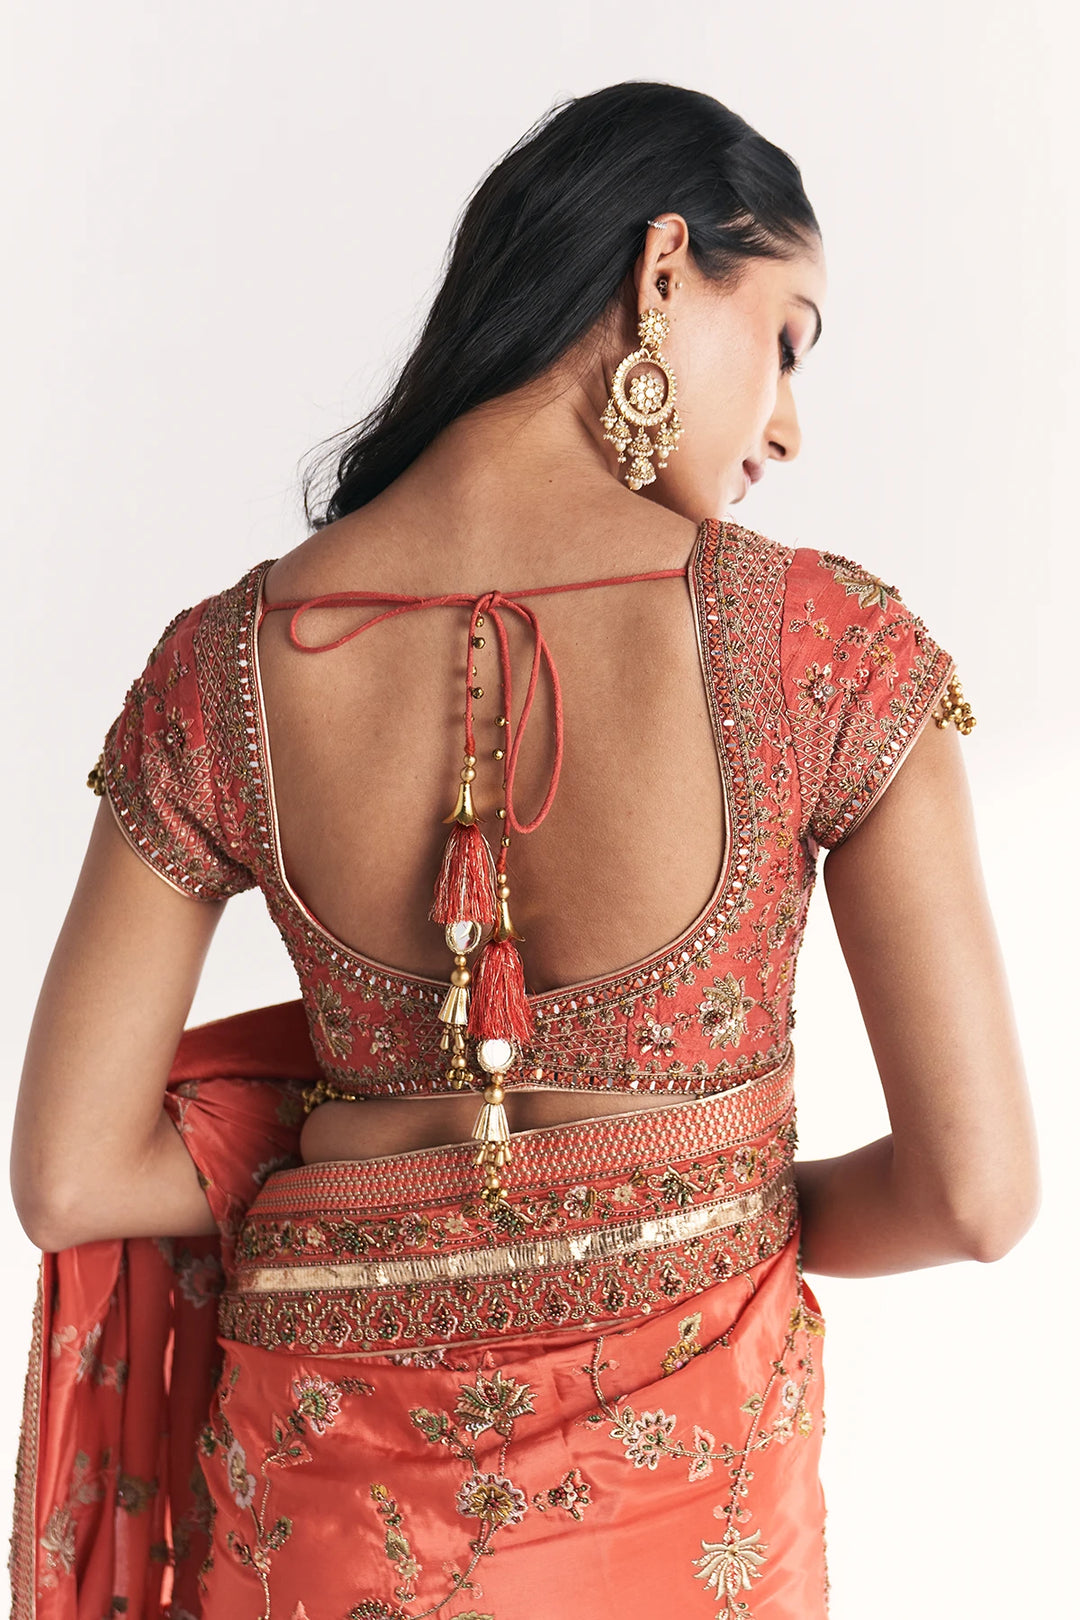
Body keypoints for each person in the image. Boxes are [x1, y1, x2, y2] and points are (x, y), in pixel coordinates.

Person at [8, 80, 1038, 1620]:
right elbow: (978, 1198)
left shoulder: (226, 665)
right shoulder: (826, 653)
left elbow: (72, 1172)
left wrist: (356, 1155)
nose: (787, 425)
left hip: (319, 1514)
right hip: (689, 1494)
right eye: (787, 340)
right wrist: (690, 1202)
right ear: (664, 270)